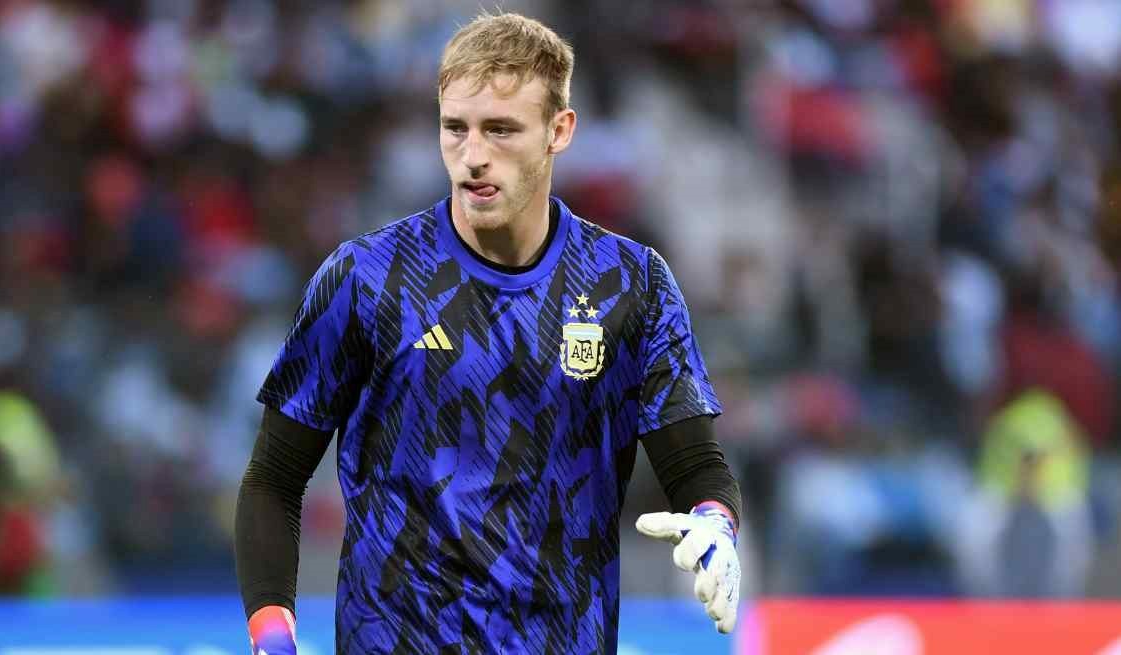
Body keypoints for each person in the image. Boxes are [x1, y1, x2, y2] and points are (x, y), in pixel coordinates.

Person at [234, 11, 742, 654]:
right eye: (456, 128)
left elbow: (695, 466)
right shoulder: (368, 278)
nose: (473, 156)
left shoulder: (629, 283)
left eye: (500, 129)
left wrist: (715, 525)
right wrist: (271, 633)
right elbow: (273, 478)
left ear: (559, 130)